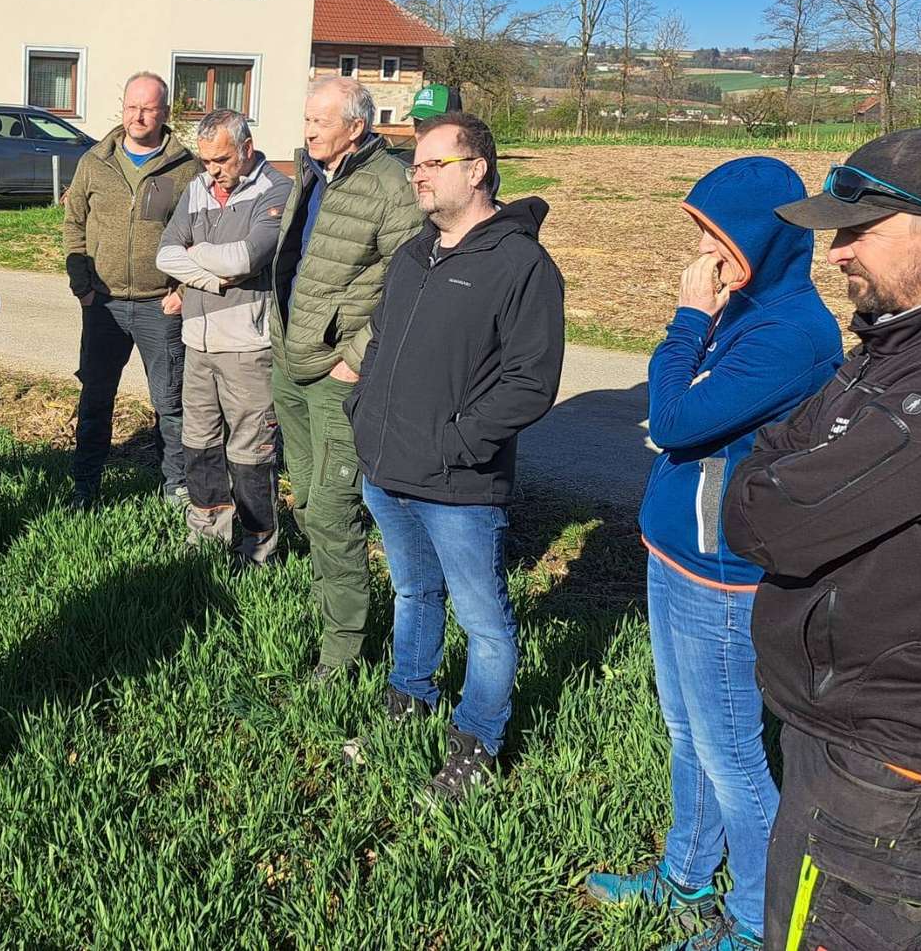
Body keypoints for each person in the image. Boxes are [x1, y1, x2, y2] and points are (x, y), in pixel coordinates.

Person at [720, 128, 921, 951]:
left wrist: (774, 481)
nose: (837, 253)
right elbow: (775, 455)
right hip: (846, 717)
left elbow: (766, 521)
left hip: (894, 747)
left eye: (859, 231)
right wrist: (776, 475)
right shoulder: (899, 341)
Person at [583, 158, 842, 950]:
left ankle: (755, 924)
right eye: (697, 228)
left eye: (716, 233)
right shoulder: (744, 311)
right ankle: (686, 877)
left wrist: (686, 320)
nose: (700, 249)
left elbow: (672, 421)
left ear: (765, 237)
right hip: (676, 552)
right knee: (686, 733)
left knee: (732, 754)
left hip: (726, 576)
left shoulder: (791, 333)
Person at [345, 111, 564, 798]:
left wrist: (461, 442)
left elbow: (532, 380)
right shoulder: (416, 252)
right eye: (416, 162)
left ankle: (477, 738)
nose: (418, 173)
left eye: (434, 162)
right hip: (387, 468)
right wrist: (363, 415)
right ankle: (410, 696)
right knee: (413, 591)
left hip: (460, 483)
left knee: (485, 622)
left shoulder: (521, 264)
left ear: (477, 171)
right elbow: (382, 341)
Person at [270, 76, 422, 679]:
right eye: (306, 119)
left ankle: (344, 652)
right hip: (291, 362)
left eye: (319, 122)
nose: (307, 131)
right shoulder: (313, 171)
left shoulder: (391, 188)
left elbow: (406, 285)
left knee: (334, 511)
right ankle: (328, 602)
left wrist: (354, 357)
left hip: (338, 375)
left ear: (355, 127)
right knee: (306, 501)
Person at [154, 109, 290, 566]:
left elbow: (247, 257)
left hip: (248, 346)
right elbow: (166, 254)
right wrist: (210, 280)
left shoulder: (277, 190)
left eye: (221, 160)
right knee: (200, 444)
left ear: (247, 150)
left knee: (251, 454)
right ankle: (208, 537)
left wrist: (197, 258)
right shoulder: (196, 188)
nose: (211, 170)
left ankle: (258, 550)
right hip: (198, 340)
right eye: (205, 160)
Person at [64, 71, 204, 510]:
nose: (137, 116)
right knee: (95, 397)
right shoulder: (95, 162)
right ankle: (85, 486)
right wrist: (82, 284)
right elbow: (74, 223)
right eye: (131, 106)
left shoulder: (185, 168)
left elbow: (201, 233)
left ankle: (175, 488)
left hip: (157, 306)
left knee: (170, 403)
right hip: (102, 305)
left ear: (165, 113)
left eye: (147, 108)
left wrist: (181, 288)